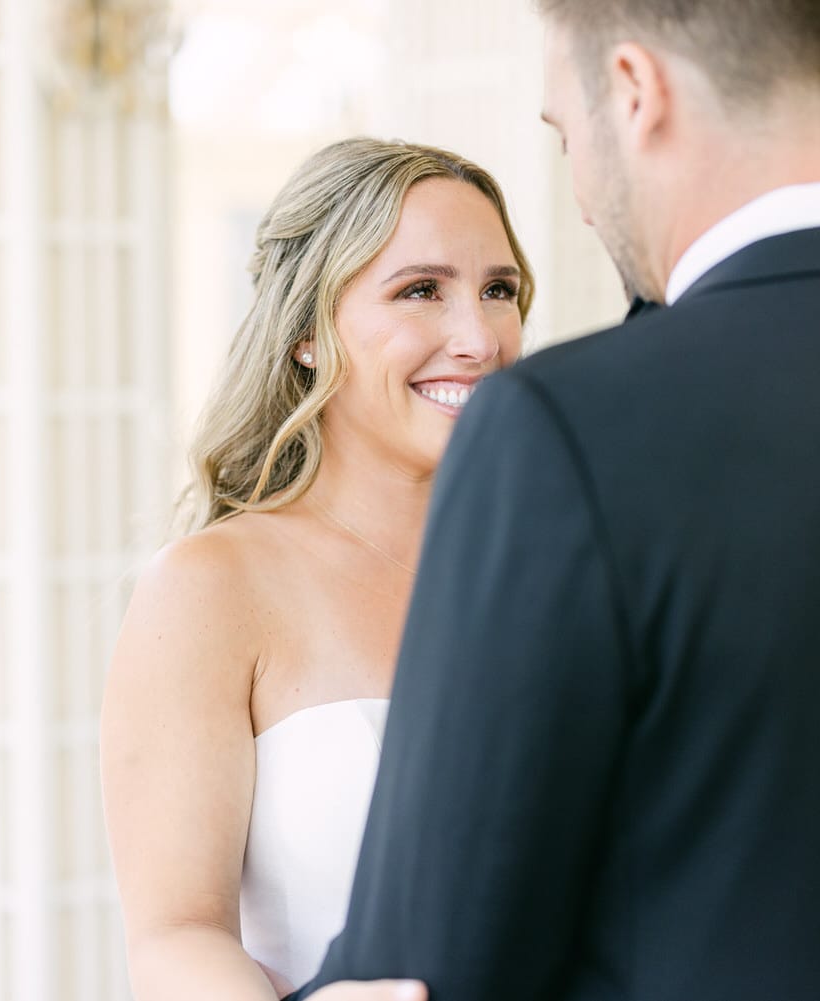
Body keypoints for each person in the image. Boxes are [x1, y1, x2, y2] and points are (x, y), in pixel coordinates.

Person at [286, 3, 820, 1001]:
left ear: (637, 92)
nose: (586, 205)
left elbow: (421, 975)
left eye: (566, 134)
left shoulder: (559, 428)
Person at [100, 138, 533, 1001]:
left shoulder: (555, 563)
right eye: (421, 291)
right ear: (306, 333)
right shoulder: (210, 588)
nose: (478, 338)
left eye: (500, 290)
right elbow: (175, 934)